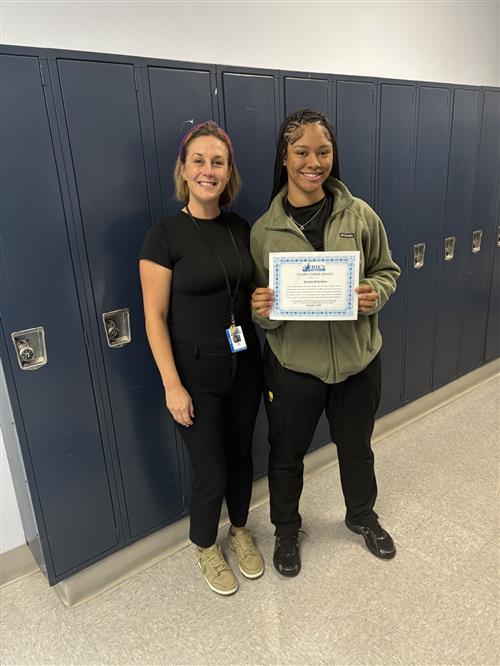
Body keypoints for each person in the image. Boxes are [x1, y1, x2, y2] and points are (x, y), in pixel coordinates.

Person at [250, 108, 400, 577]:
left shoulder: (361, 215)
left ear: (333, 155)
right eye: (301, 152)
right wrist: (265, 314)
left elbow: (387, 271)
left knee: (357, 446)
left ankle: (361, 516)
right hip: (294, 368)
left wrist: (376, 294)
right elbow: (261, 306)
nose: (313, 162)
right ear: (284, 157)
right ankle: (287, 530)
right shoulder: (263, 231)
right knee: (286, 454)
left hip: (357, 362)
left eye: (323, 151)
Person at [139, 121, 264, 595]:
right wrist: (173, 385)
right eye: (199, 161)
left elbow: (250, 290)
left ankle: (239, 529)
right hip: (195, 369)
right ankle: (205, 545)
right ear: (184, 170)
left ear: (228, 171)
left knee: (241, 456)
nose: (208, 170)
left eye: (218, 161)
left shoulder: (240, 227)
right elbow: (154, 318)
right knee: (210, 468)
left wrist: (263, 302)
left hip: (244, 361)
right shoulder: (164, 236)